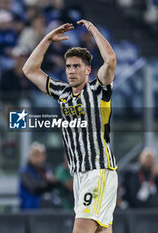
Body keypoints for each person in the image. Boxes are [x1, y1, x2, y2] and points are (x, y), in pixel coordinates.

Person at [22, 20, 117, 233]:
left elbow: (110, 59)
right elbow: (29, 69)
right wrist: (46, 39)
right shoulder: (63, 93)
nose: (71, 71)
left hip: (98, 170)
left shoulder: (98, 89)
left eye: (77, 66)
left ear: (87, 70)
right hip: (80, 175)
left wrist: (94, 31)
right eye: (68, 66)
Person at [18, 142, 58, 210]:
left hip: (48, 208)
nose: (40, 158)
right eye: (36, 155)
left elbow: (54, 184)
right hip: (30, 209)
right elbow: (34, 187)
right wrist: (47, 183)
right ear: (30, 156)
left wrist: (48, 183)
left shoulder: (47, 169)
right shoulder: (25, 171)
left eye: (42, 155)